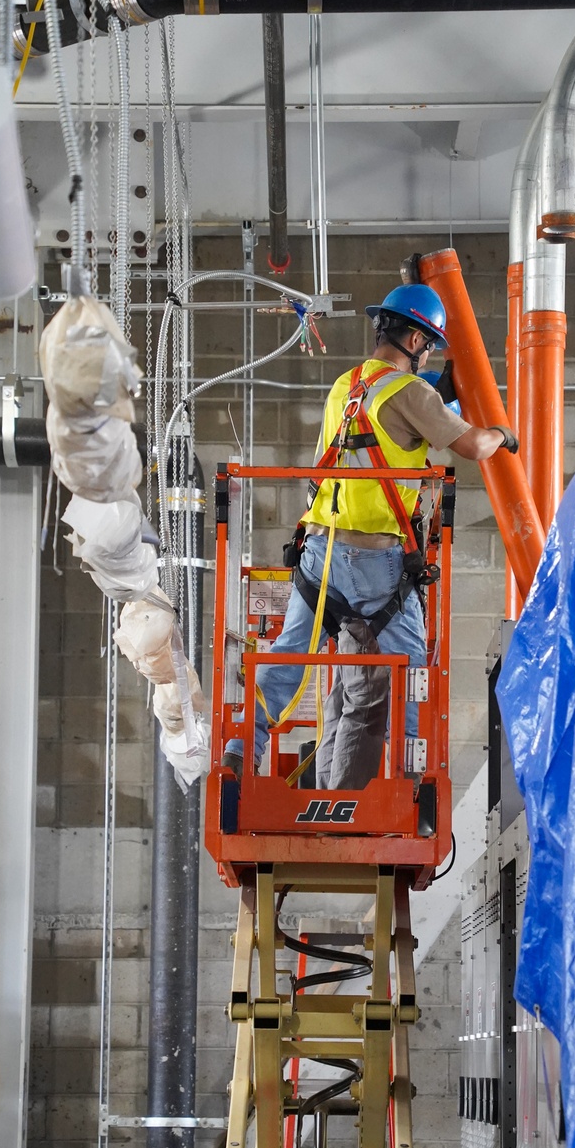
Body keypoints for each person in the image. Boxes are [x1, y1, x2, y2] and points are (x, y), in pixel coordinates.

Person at [222, 282, 519, 785]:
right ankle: (408, 787)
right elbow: (472, 445)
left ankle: (238, 750)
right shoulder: (412, 393)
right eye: (427, 344)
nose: (427, 353)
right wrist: (501, 434)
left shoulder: (346, 385)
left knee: (289, 656)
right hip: (373, 561)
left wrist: (435, 398)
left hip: (318, 552)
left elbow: (378, 430)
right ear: (416, 340)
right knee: (408, 673)